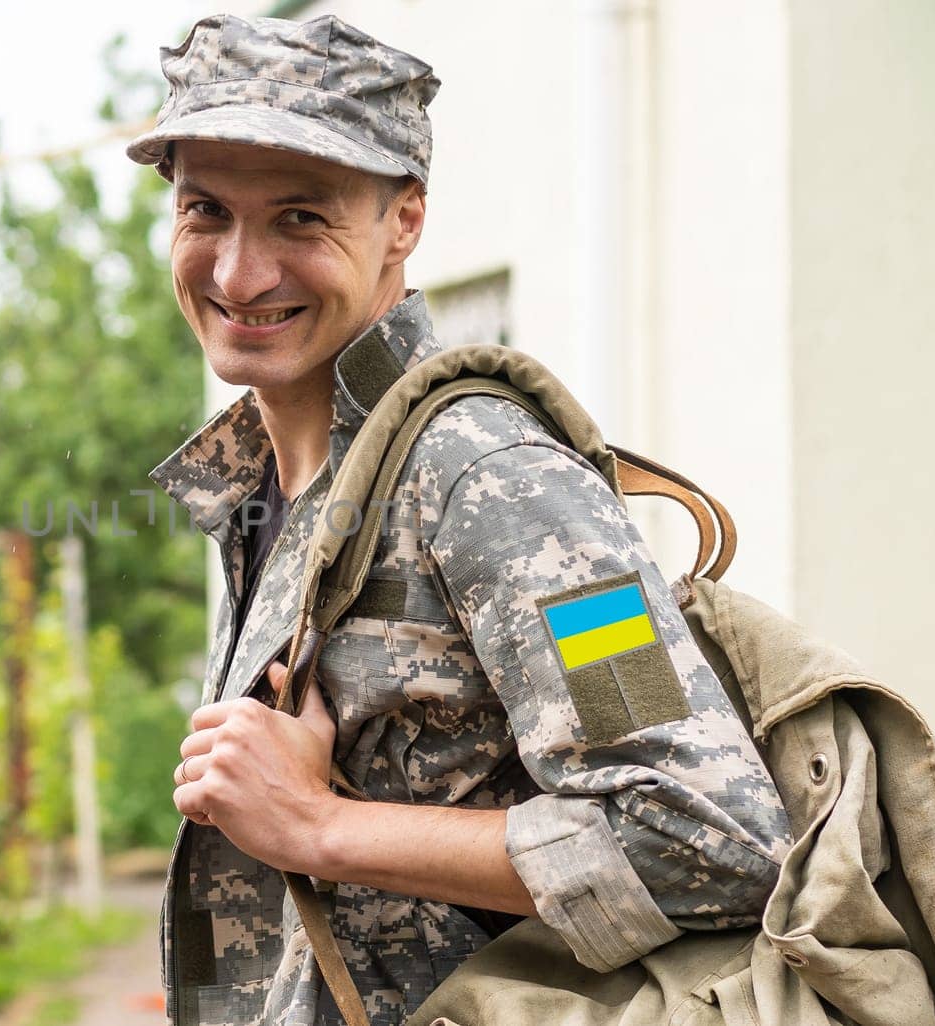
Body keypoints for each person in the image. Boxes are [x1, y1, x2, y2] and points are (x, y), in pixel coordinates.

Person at [126, 13, 792, 1026]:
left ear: (405, 221)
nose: (238, 275)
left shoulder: (495, 482)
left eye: (300, 219)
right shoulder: (270, 485)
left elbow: (707, 835)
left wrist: (321, 827)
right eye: (206, 210)